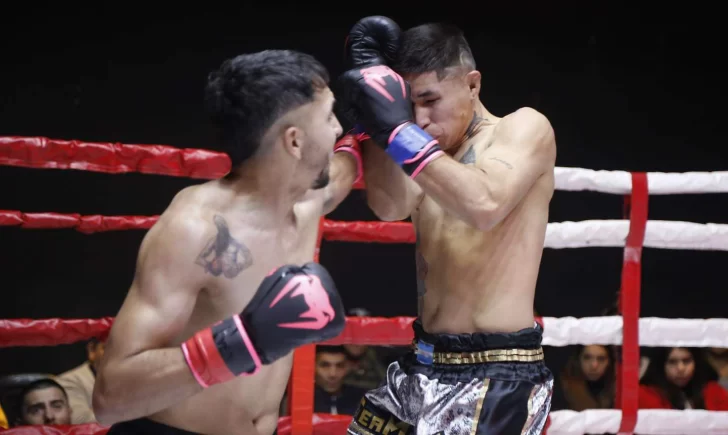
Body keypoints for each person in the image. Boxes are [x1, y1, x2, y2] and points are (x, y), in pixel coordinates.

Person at [92, 49, 362, 435]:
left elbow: (346, 168)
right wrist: (242, 342)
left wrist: (376, 116)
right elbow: (110, 397)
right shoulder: (195, 229)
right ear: (294, 142)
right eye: (329, 116)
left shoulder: (307, 199)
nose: (337, 128)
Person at [337, 17, 556, 434]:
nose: (419, 119)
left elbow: (485, 204)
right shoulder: (426, 151)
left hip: (494, 374)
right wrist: (375, 126)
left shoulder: (522, 128)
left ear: (472, 85)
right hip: (421, 362)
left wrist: (398, 131)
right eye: (408, 106)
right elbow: (390, 206)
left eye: (430, 99)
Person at [57, 337, 106, 424]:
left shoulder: (129, 378)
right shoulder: (69, 381)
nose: (118, 355)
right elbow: (79, 420)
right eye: (110, 348)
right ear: (92, 350)